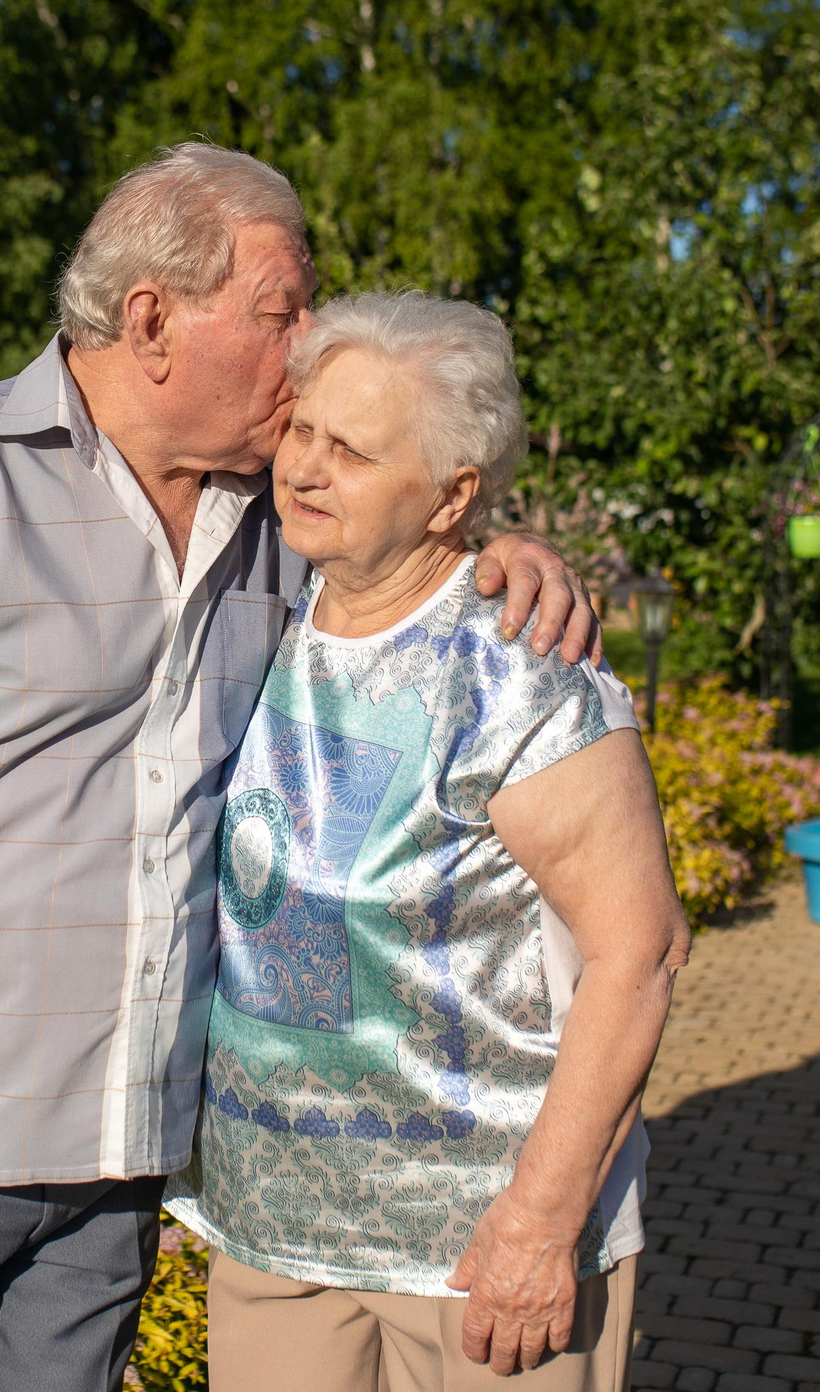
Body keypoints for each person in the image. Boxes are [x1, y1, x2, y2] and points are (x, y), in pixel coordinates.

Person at [0, 144, 603, 1392]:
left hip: (118, 1152)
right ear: (151, 320)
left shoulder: (277, 524)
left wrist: (503, 549)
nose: (301, 360)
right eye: (281, 315)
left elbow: (405, 551)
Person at [166, 290, 691, 1390]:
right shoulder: (252, 605)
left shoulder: (520, 670)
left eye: (351, 451)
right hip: (273, 1235)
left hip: (476, 1254)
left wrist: (541, 1224)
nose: (304, 469)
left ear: (454, 494)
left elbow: (636, 956)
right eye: (300, 431)